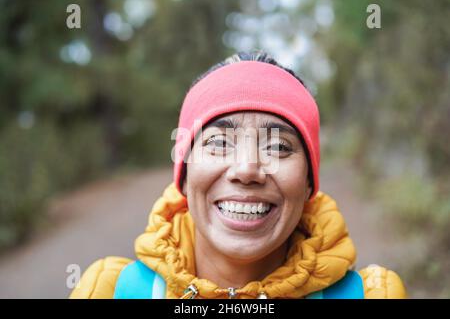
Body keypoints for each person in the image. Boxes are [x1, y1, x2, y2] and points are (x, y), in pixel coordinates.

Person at [70, 51, 407, 299]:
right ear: (184, 176)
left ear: (308, 183)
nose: (247, 169)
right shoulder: (109, 291)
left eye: (278, 147)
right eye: (219, 142)